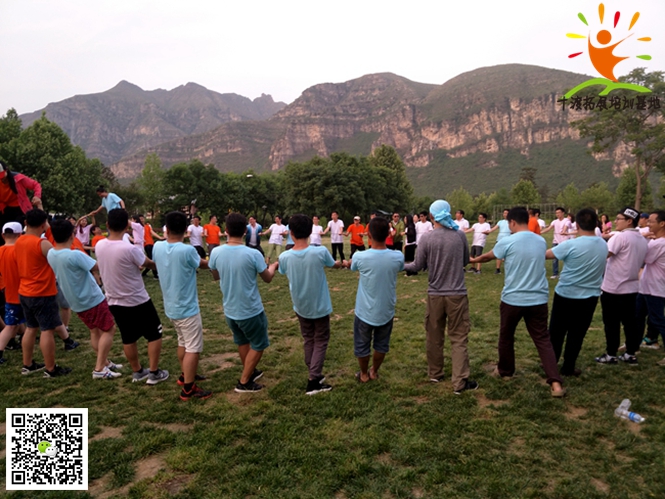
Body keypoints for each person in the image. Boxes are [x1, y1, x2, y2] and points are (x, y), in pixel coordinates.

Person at [470, 207, 565, 397]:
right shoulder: (540, 241)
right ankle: (555, 383)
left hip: (513, 299)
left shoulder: (507, 241)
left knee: (506, 336)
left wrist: (472, 260)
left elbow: (488, 257)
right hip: (538, 299)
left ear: (512, 222)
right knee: (543, 340)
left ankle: (505, 371)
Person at [404, 200, 477, 394]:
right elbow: (465, 261)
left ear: (431, 216)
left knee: (434, 336)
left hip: (435, 295)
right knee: (458, 338)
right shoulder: (460, 235)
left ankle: (435, 373)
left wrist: (397, 264)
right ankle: (459, 382)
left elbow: (417, 266)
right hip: (457, 294)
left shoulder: (427, 238)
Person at [95, 209, 169, 385]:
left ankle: (138, 371)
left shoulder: (99, 245)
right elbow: (147, 263)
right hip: (137, 299)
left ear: (107, 225)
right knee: (154, 334)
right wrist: (164, 266)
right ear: (127, 227)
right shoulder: (129, 249)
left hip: (114, 300)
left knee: (128, 337)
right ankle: (154, 372)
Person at [209, 213, 279, 393]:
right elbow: (267, 278)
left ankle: (250, 371)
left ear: (226, 230)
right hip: (250, 310)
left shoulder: (216, 252)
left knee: (242, 341)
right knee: (259, 344)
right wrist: (273, 266)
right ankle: (244, 381)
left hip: (230, 310)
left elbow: (215, 275)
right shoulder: (253, 254)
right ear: (245, 232)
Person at [47, 219, 121, 379]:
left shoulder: (51, 253)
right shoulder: (74, 255)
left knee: (95, 331)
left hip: (77, 302)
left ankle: (105, 363)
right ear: (71, 235)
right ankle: (99, 368)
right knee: (109, 329)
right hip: (92, 299)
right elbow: (98, 266)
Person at [279, 214, 344, 394]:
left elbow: (282, 270)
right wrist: (342, 263)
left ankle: (313, 371)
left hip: (300, 306)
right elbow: (333, 264)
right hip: (319, 306)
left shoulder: (285, 257)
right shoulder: (319, 252)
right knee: (321, 340)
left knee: (309, 338)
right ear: (310, 232)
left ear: (291, 233)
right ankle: (313, 380)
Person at [153, 211, 211, 400]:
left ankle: (186, 375)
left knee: (183, 342)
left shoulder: (157, 247)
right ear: (186, 230)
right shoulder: (187, 251)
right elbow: (201, 264)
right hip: (187, 309)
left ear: (167, 229)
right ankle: (188, 388)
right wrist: (215, 262)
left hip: (171, 307)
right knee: (193, 347)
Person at [545, 209, 608, 377]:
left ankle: (551, 366)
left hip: (566, 294)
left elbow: (547, 255)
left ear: (577, 225)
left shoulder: (571, 244)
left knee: (557, 332)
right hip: (590, 297)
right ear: (596, 224)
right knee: (577, 333)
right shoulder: (603, 244)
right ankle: (568, 367)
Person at [15, 209, 72, 377]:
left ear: (26, 223)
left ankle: (27, 364)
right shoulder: (42, 244)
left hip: (25, 291)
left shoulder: (19, 241)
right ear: (43, 224)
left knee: (31, 328)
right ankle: (51, 368)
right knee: (47, 330)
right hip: (42, 293)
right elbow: (58, 258)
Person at [348, 217, 405, 384]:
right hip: (386, 310)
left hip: (364, 311)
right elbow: (400, 267)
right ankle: (374, 371)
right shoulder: (397, 256)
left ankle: (364, 374)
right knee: (381, 344)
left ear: (369, 235)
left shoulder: (360, 256)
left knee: (362, 344)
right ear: (388, 234)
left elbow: (352, 266)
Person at [595, 208, 648, 365]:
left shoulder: (620, 237)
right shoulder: (641, 239)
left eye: (619, 219)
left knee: (611, 323)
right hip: (632, 288)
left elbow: (604, 254)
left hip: (614, 288)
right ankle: (630, 353)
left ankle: (611, 354)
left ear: (629, 221)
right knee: (630, 323)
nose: (615, 221)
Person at [635, 211, 665, 366]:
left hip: (655, 288)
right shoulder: (657, 241)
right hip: (646, 287)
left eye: (651, 221)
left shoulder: (659, 243)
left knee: (658, 320)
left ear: (662, 224)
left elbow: (644, 259)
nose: (648, 224)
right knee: (638, 316)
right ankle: (634, 346)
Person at [0, 223, 26, 365]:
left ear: (3, 235)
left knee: (12, 324)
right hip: (24, 292)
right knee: (31, 325)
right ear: (20, 235)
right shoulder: (19, 251)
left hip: (8, 293)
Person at [0, 161, 42, 238]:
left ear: (6, 170)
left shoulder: (18, 179)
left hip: (20, 209)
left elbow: (36, 185)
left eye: (2, 176)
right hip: (5, 209)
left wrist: (37, 196)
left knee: (15, 230)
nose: (1, 179)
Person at [541, 207, 572, 279]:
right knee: (554, 258)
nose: (557, 214)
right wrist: (539, 232)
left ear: (563, 213)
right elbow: (548, 229)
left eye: (559, 212)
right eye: (556, 213)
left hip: (564, 242)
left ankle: (566, 273)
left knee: (566, 258)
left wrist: (563, 231)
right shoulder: (554, 221)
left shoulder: (567, 220)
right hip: (556, 241)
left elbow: (565, 227)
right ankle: (555, 273)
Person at [486, 209, 510, 274]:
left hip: (508, 240)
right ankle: (498, 269)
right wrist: (488, 232)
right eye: (504, 213)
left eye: (506, 213)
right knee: (499, 255)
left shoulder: (512, 222)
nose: (505, 214)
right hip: (499, 240)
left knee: (508, 255)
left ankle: (509, 269)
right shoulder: (500, 222)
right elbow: (494, 228)